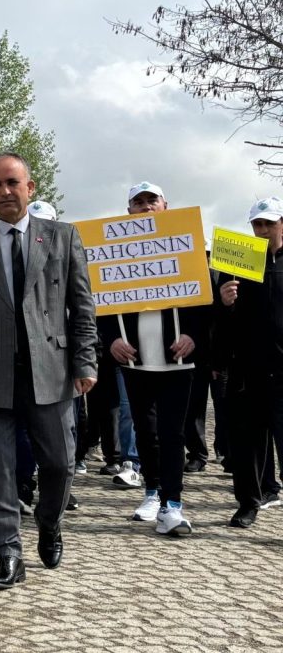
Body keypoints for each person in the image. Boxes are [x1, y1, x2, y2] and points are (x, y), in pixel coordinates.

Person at [0, 152, 97, 590]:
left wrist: (85, 360)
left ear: (30, 188)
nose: (4, 192)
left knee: (60, 463)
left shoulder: (63, 237)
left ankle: (49, 522)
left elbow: (82, 305)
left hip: (51, 370)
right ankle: (8, 553)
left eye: (12, 182)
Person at [98, 182, 201, 536]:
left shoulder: (187, 247)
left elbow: (204, 303)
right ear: (128, 212)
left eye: (150, 201)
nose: (144, 208)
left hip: (177, 360)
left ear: (165, 206)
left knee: (173, 433)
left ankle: (173, 504)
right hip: (135, 360)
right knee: (146, 431)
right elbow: (100, 306)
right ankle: (152, 492)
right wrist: (111, 340)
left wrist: (193, 335)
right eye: (137, 203)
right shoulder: (112, 252)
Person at [214, 197, 283, 528]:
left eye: (269, 223)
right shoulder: (238, 260)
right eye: (257, 224)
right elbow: (221, 321)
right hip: (247, 371)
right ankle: (248, 503)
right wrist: (225, 303)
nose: (263, 229)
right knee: (246, 446)